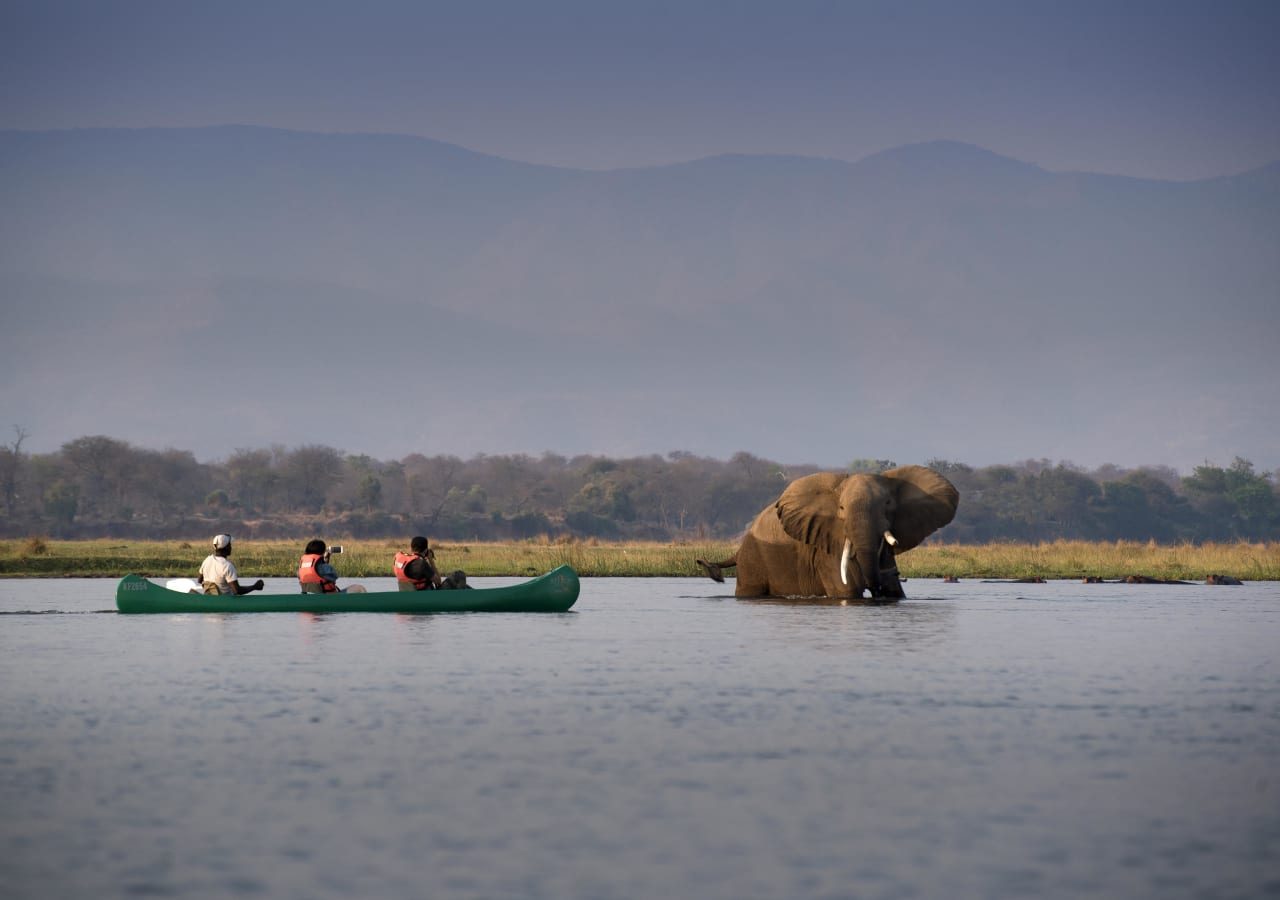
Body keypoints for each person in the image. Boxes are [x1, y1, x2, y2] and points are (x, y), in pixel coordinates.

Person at [197, 533, 265, 596]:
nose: (231, 547)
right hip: (224, 601)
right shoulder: (227, 566)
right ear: (226, 547)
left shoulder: (207, 560)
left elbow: (200, 580)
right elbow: (237, 590)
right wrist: (254, 587)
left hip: (209, 597)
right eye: (229, 545)